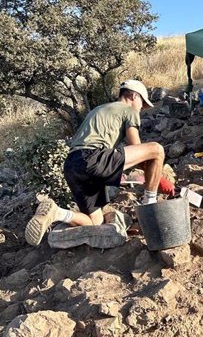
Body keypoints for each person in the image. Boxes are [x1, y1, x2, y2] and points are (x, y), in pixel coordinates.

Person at [25, 80, 174, 246]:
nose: (141, 109)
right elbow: (137, 147)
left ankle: (56, 213)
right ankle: (149, 209)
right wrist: (157, 178)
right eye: (142, 104)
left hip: (72, 164)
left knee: (95, 221)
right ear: (133, 96)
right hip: (93, 157)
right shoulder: (128, 110)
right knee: (157, 149)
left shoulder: (98, 109)